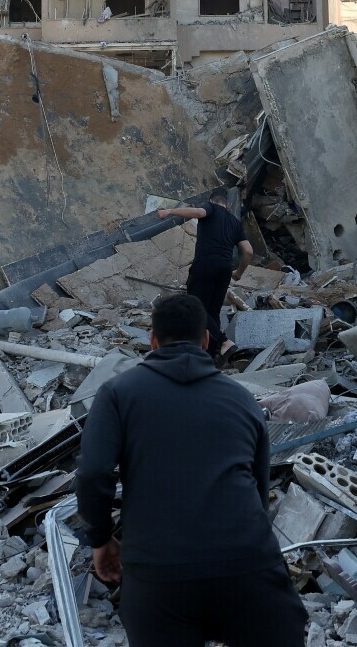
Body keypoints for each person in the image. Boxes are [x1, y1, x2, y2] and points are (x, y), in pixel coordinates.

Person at [76, 293, 307, 647]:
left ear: (152, 340)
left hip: (159, 577)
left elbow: (93, 473)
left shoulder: (117, 394)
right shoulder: (242, 399)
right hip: (247, 570)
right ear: (205, 340)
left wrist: (101, 539)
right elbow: (259, 491)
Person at [155, 189, 253, 363]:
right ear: (227, 204)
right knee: (212, 313)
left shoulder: (211, 208)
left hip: (205, 265)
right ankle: (213, 356)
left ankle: (225, 343)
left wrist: (169, 211)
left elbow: (198, 212)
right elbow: (248, 251)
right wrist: (238, 273)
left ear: (211, 201)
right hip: (225, 268)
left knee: (196, 308)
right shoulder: (235, 222)